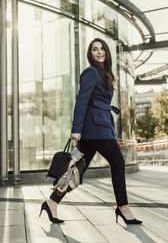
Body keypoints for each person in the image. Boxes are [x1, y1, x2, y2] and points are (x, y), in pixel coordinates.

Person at [39, 38, 142, 225]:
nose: (99, 52)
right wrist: (76, 129)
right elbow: (81, 100)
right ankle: (123, 207)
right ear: (90, 54)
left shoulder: (104, 73)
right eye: (95, 49)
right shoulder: (91, 72)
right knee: (118, 162)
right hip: (95, 128)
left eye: (102, 48)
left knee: (77, 170)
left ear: (107, 53)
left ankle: (52, 202)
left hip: (100, 126)